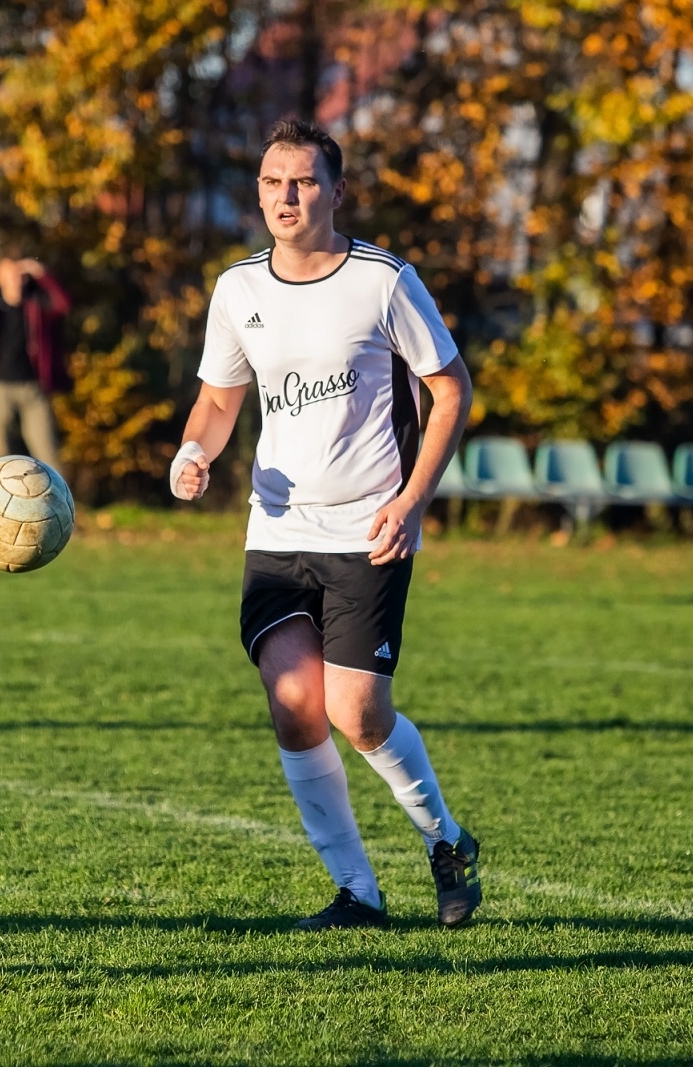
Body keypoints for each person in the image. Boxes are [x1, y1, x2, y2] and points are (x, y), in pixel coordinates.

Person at [170, 119, 481, 931]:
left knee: (358, 713)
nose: (286, 196)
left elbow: (452, 389)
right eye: (273, 182)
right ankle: (357, 893)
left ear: (336, 193)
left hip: (368, 530)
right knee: (293, 698)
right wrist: (192, 453)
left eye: (303, 181)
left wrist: (412, 501)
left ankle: (446, 839)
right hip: (275, 530)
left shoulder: (383, 280)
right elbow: (218, 399)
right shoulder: (238, 289)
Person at [0, 253, 70, 468]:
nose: (15, 279)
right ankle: (2, 502)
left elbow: (63, 304)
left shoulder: (37, 305)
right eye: (9, 274)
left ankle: (59, 500)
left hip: (33, 388)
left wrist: (40, 272)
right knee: (2, 456)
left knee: (47, 451)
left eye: (19, 274)